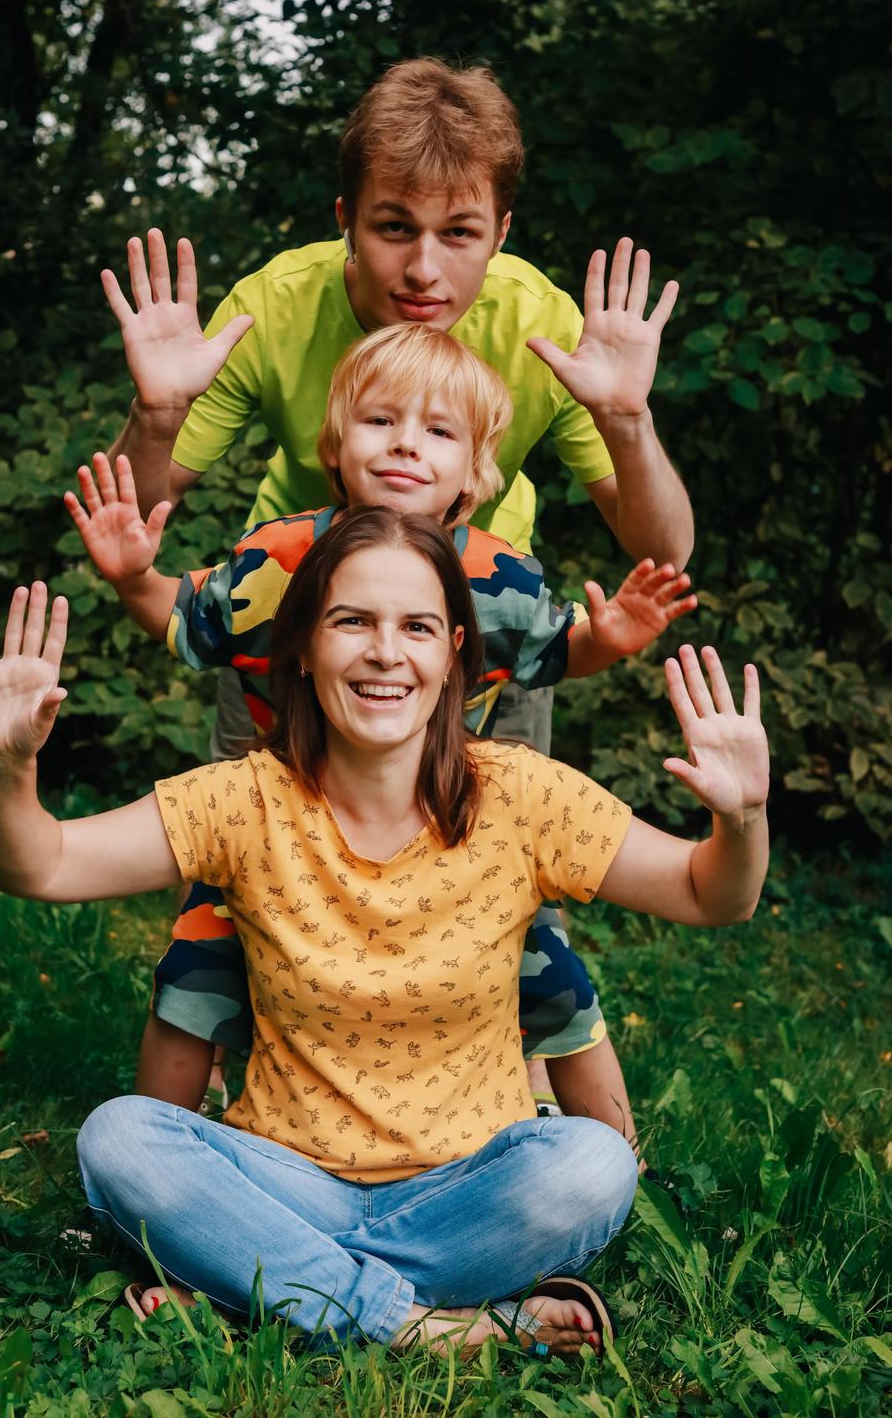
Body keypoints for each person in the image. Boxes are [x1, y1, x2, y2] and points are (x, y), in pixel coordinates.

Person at [0, 510, 769, 1356]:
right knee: (121, 1138)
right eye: (352, 621)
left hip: (470, 1188)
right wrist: (8, 766)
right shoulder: (243, 799)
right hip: (286, 1182)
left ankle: (265, 1289)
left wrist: (744, 817)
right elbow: (41, 866)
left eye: (417, 627)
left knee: (593, 1165)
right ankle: (432, 1327)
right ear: (304, 648)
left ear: (454, 653)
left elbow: (711, 895)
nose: (386, 652)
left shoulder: (523, 796)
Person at [67, 315, 695, 1140]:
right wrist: (133, 580)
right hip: (283, 827)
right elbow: (189, 622)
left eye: (439, 431)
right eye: (380, 419)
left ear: (475, 470)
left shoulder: (499, 580)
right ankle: (164, 1157)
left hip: (450, 835)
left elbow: (555, 653)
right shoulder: (275, 559)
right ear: (335, 443)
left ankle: (617, 1165)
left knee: (551, 973)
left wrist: (605, 642)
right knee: (194, 969)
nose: (406, 444)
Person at [104, 57, 693, 767]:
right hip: (291, 610)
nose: (423, 270)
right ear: (346, 221)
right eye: (394, 227)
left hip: (482, 622)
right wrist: (159, 412)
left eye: (459, 233)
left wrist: (628, 422)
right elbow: (131, 519)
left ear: (501, 233)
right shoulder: (272, 309)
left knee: (487, 832)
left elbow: (664, 555)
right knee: (249, 825)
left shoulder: (545, 327)